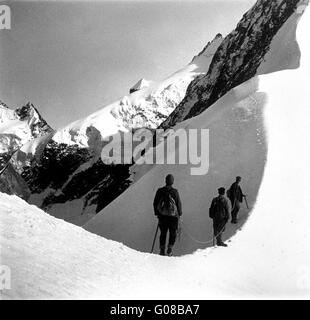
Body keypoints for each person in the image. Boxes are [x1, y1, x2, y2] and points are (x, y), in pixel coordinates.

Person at [153, 174, 182, 256]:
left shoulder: (160, 191)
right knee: (173, 233)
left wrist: (157, 213)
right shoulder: (175, 192)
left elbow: (155, 203)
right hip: (173, 217)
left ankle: (162, 250)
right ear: (172, 182)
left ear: (165, 181)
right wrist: (179, 214)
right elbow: (178, 203)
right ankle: (170, 249)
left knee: (163, 233)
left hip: (162, 216)